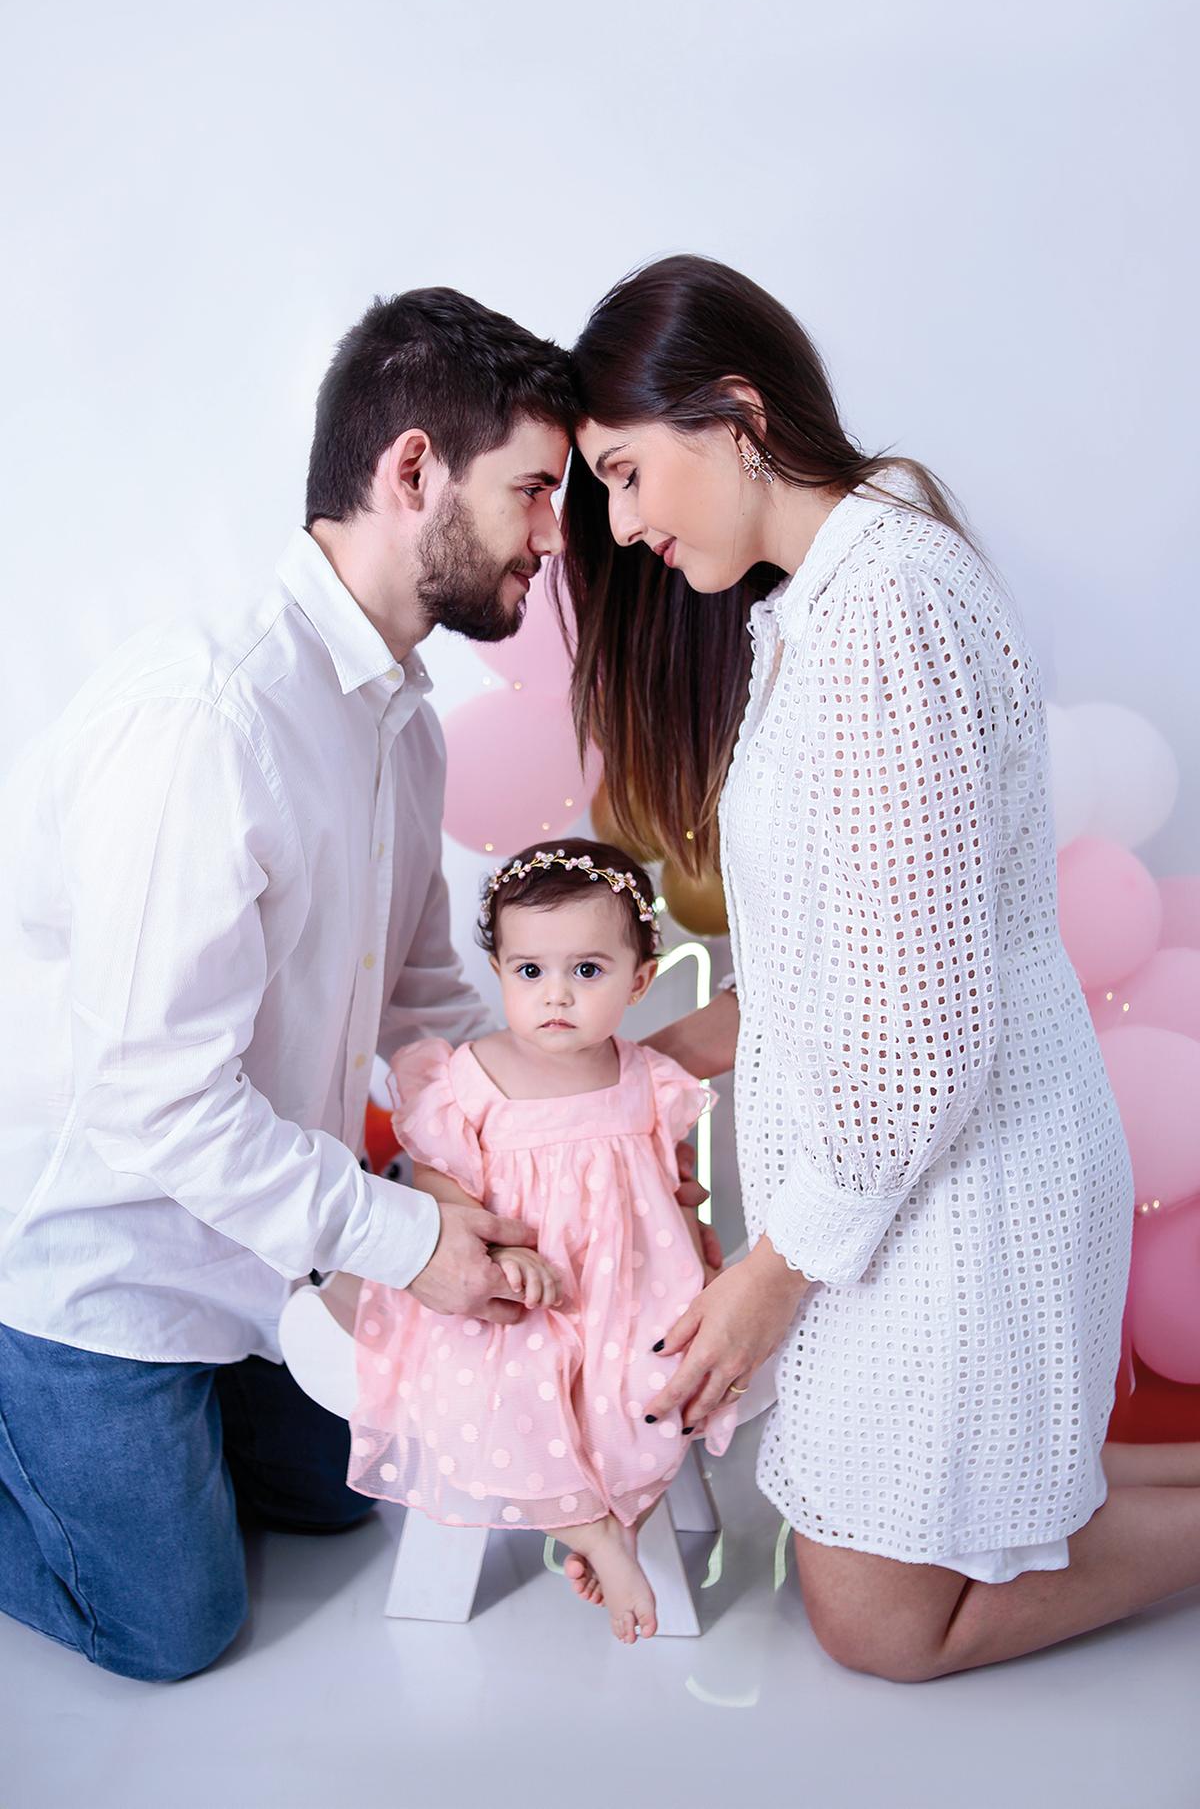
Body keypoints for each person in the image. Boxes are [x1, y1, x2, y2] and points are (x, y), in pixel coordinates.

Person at [0, 288, 706, 1682]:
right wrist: (405, 1238)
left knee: (345, 1494)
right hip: (98, 1260)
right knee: (174, 1627)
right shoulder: (208, 720)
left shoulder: (399, 723)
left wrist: (511, 1159)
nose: (557, 538)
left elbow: (427, 1000)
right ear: (409, 473)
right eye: (534, 491)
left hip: (263, 1250)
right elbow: (160, 1106)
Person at [555, 252, 1200, 1682]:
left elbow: (917, 1045)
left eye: (626, 472)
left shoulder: (886, 606)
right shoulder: (819, 605)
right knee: (892, 1555)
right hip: (902, 1176)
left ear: (734, 412)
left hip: (962, 1173)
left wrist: (776, 1271)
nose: (622, 519)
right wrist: (637, 1063)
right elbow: (831, 971)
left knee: (874, 1623)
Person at [341, 837, 736, 1644]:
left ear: (638, 981)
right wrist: (502, 1255)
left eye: (586, 972)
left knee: (651, 1382)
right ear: (501, 975)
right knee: (510, 1371)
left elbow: (668, 1193)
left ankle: (619, 1509)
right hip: (513, 1297)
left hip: (625, 1292)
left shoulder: (648, 1079)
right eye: (530, 972)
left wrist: (692, 1247)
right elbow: (441, 1187)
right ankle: (592, 1529)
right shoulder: (465, 1077)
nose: (555, 994)